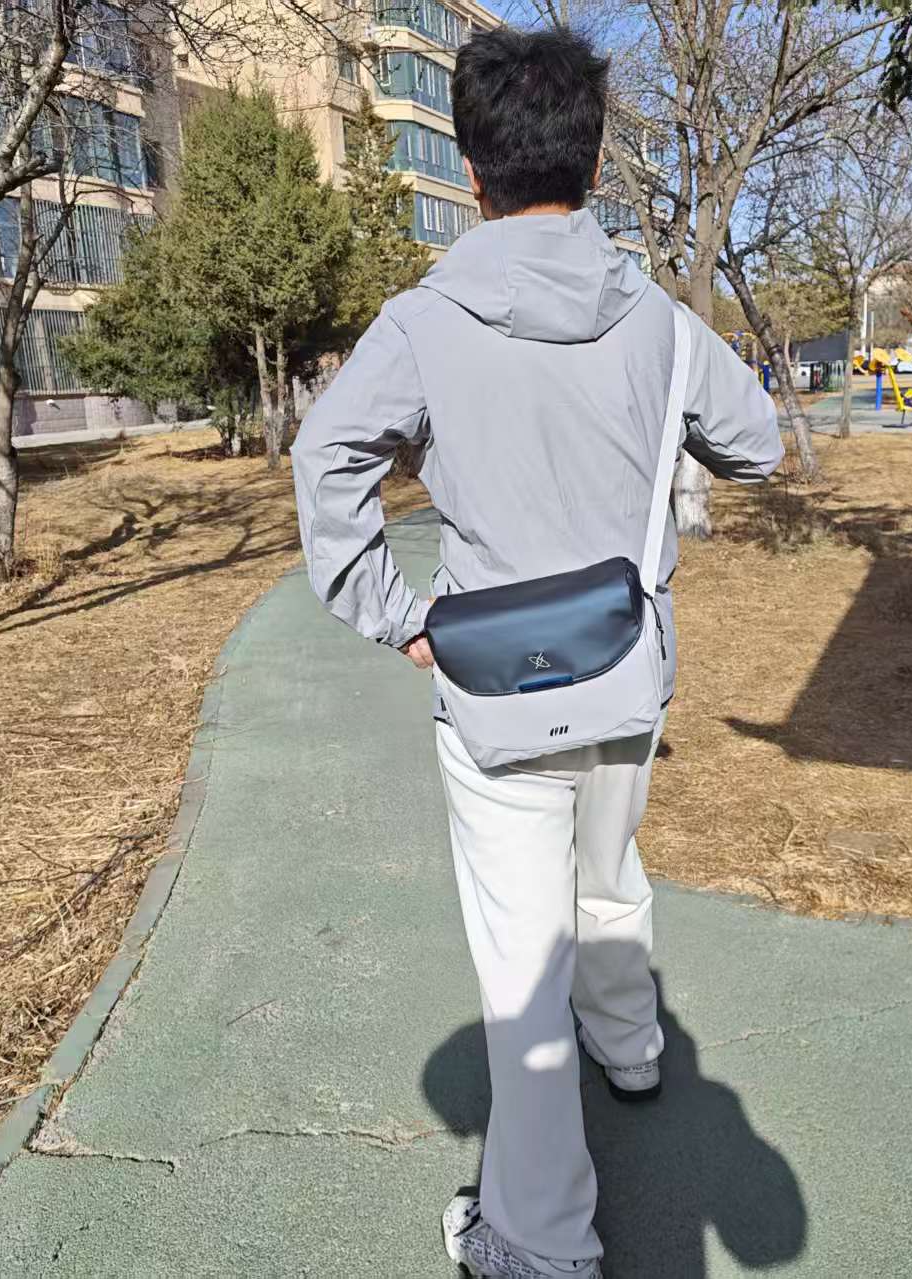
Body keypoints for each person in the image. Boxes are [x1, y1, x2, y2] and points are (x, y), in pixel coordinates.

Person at [292, 24, 782, 1278]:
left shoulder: (421, 323)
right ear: (596, 160)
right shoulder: (659, 322)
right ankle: (634, 1049)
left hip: (492, 691)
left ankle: (543, 1242)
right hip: (624, 673)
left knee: (522, 971)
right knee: (607, 867)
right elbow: (760, 443)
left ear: (470, 170)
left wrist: (393, 611)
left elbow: (325, 455)